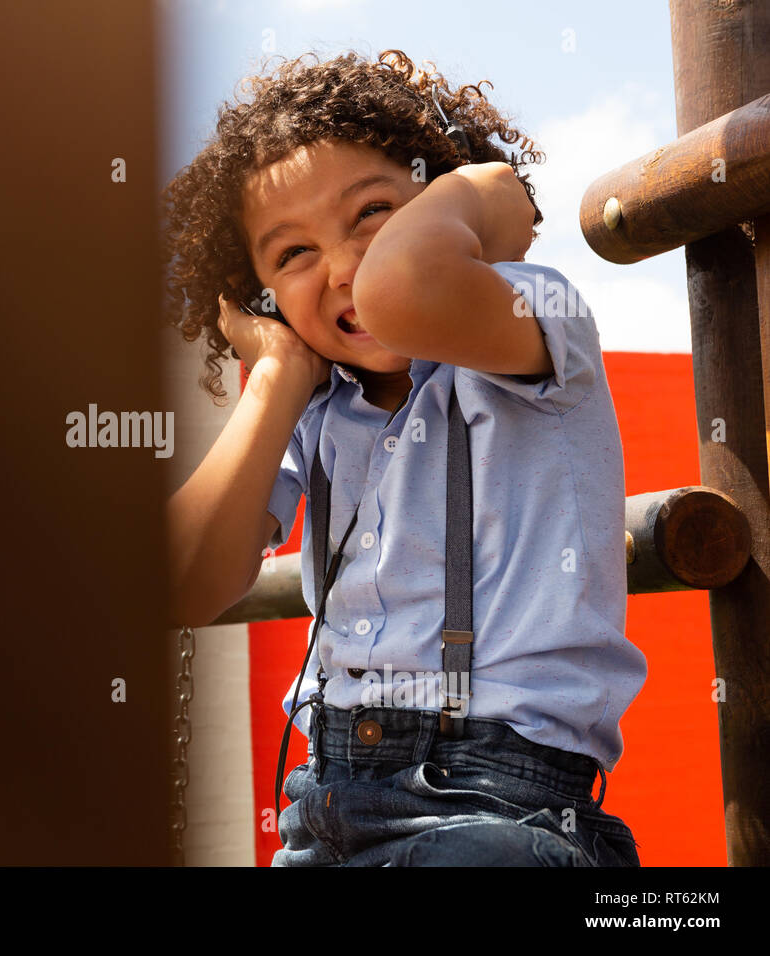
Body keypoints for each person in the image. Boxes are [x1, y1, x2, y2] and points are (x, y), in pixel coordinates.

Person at [162, 49, 646, 866]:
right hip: (324, 808)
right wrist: (277, 374)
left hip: (501, 812)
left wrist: (484, 187)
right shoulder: (312, 407)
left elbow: (405, 288)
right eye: (292, 255)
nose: (348, 269)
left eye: (373, 212)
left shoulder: (534, 320)